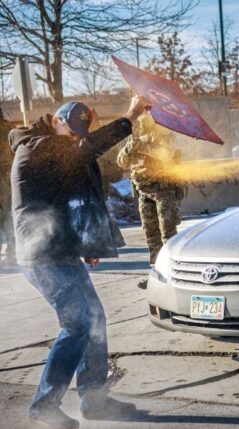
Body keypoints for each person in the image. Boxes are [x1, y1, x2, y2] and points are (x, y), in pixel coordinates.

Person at [10, 95, 150, 428]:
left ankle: (94, 400)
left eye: (78, 134)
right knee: (77, 324)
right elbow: (87, 151)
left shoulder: (57, 147)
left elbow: (71, 197)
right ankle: (45, 404)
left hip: (61, 249)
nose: (74, 139)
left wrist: (87, 241)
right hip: (42, 254)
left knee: (94, 319)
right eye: (71, 132)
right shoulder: (35, 146)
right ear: (56, 120)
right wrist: (129, 116)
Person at [117, 113, 184, 269]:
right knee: (151, 234)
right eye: (140, 124)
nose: (141, 126)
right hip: (144, 192)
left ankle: (172, 268)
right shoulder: (134, 139)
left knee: (168, 233)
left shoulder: (165, 134)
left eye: (144, 123)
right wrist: (129, 149)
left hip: (163, 192)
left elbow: (166, 156)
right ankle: (156, 269)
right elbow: (121, 162)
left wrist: (142, 145)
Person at [0, 107, 15, 265]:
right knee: (9, 216)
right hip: (10, 178)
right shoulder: (10, 129)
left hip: (4, 179)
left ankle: (12, 251)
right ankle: (12, 251)